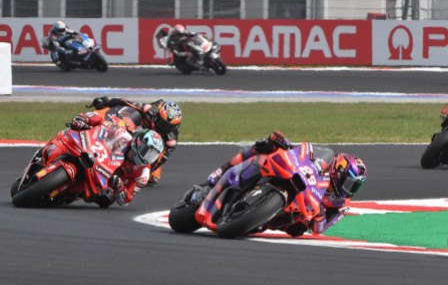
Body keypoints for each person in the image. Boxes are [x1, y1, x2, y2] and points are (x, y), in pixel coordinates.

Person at [202, 131, 367, 236]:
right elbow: (305, 151)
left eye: (354, 186)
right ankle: (223, 171)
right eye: (349, 182)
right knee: (265, 147)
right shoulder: (326, 157)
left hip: (292, 214)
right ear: (338, 171)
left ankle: (253, 216)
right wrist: (284, 143)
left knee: (297, 229)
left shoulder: (341, 205)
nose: (349, 189)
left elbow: (319, 229)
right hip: (293, 175)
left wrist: (320, 212)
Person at [69, 111, 165, 207]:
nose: (147, 157)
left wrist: (119, 187)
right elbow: (101, 121)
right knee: (75, 129)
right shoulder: (124, 134)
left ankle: (72, 194)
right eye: (147, 152)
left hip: (106, 180)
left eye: (152, 156)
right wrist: (84, 119)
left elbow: (126, 200)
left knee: (106, 198)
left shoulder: (143, 175)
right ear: (139, 142)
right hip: (96, 153)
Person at [89, 96, 182, 185]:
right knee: (106, 115)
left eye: (167, 126)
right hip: (136, 131)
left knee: (151, 178)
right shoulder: (148, 110)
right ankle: (91, 126)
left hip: (149, 148)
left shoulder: (170, 139)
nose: (162, 127)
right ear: (157, 115)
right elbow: (125, 102)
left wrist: (149, 168)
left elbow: (160, 160)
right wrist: (106, 100)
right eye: (162, 123)